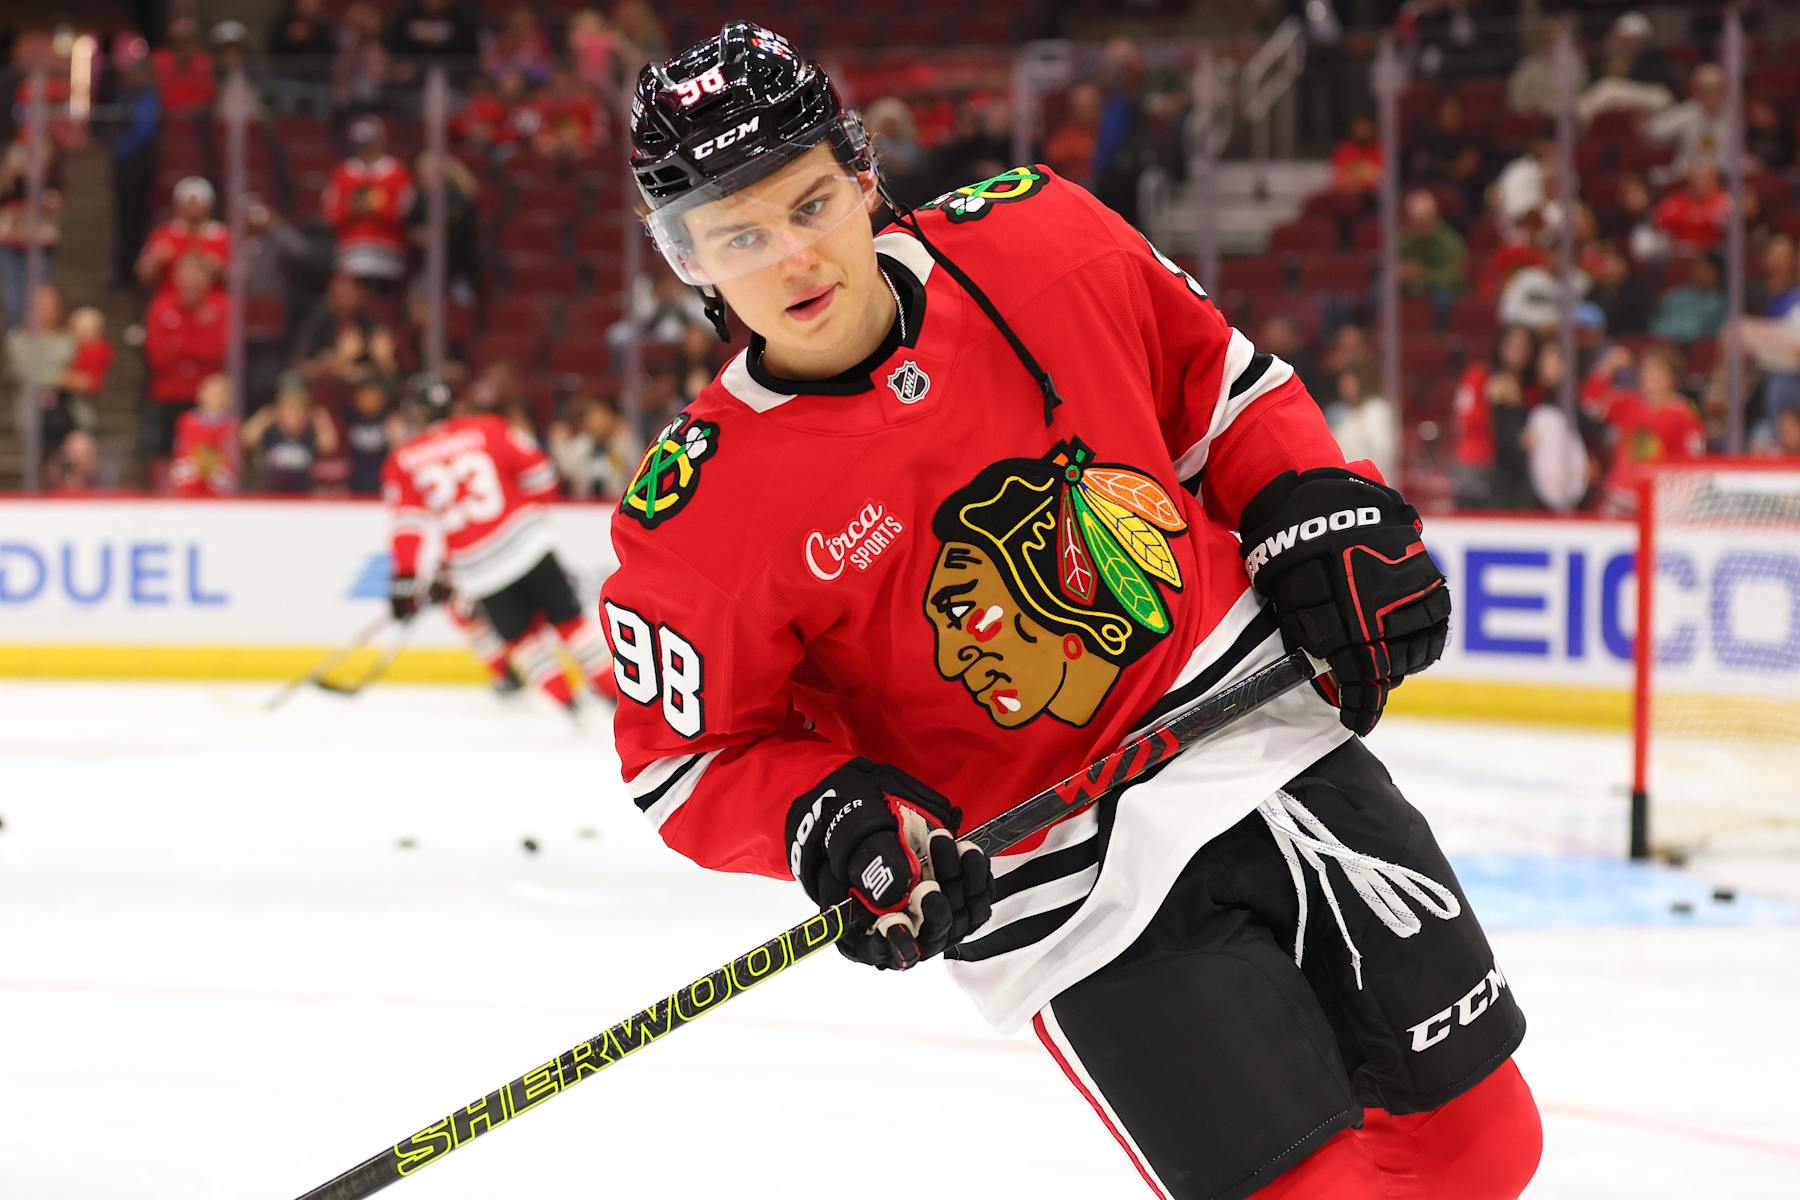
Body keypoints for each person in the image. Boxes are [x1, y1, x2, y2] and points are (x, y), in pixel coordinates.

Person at [604, 25, 1539, 1200]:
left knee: (1484, 1148)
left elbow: (1218, 388)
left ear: (861, 171)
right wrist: (831, 818)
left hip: (1268, 742)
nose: (793, 258)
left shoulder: (1038, 235)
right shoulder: (693, 514)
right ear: (686, 262)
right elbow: (685, 765)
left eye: (810, 204)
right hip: (1066, 884)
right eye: (738, 236)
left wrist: (1310, 509)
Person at [382, 377, 618, 713]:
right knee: (571, 623)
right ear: (453, 405)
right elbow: (542, 477)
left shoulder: (404, 460)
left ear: (417, 414)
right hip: (529, 545)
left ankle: (568, 704)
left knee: (524, 641)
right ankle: (612, 694)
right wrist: (525, 517)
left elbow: (408, 525)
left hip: (480, 569)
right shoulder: (490, 429)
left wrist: (404, 579)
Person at [143, 253, 230, 462]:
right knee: (163, 450)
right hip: (168, 393)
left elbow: (218, 349)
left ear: (208, 277)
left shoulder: (222, 306)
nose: (191, 279)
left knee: (208, 453)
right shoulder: (161, 306)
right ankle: (162, 492)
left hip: (208, 397)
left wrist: (178, 346)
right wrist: (197, 347)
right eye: (186, 272)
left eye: (197, 273)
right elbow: (156, 354)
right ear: (176, 276)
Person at [322, 117, 417, 292]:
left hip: (388, 255)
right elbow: (330, 214)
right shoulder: (342, 173)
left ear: (381, 142)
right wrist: (353, 208)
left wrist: (377, 207)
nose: (365, 149)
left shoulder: (397, 172)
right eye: (361, 144)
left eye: (369, 143)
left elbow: (406, 212)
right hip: (351, 255)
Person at [0, 129, 64, 330]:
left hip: (40, 244)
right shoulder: (11, 177)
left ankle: (36, 336)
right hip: (11, 242)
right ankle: (16, 340)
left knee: (39, 297)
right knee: (13, 297)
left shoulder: (52, 178)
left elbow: (52, 203)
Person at [137, 177, 230, 298]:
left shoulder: (225, 236)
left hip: (214, 307)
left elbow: (240, 280)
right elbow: (143, 276)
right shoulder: (163, 235)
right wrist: (155, 261)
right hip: (170, 305)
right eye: (188, 202)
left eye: (199, 202)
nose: (193, 207)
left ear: (209, 204)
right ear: (178, 204)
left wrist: (219, 269)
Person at [169, 372, 240, 497]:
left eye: (219, 393)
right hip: (187, 492)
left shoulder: (231, 426)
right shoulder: (186, 421)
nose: (214, 396)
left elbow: (232, 468)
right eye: (210, 391)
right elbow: (178, 462)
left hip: (218, 495)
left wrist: (212, 469)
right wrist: (197, 466)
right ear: (200, 393)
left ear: (228, 398)